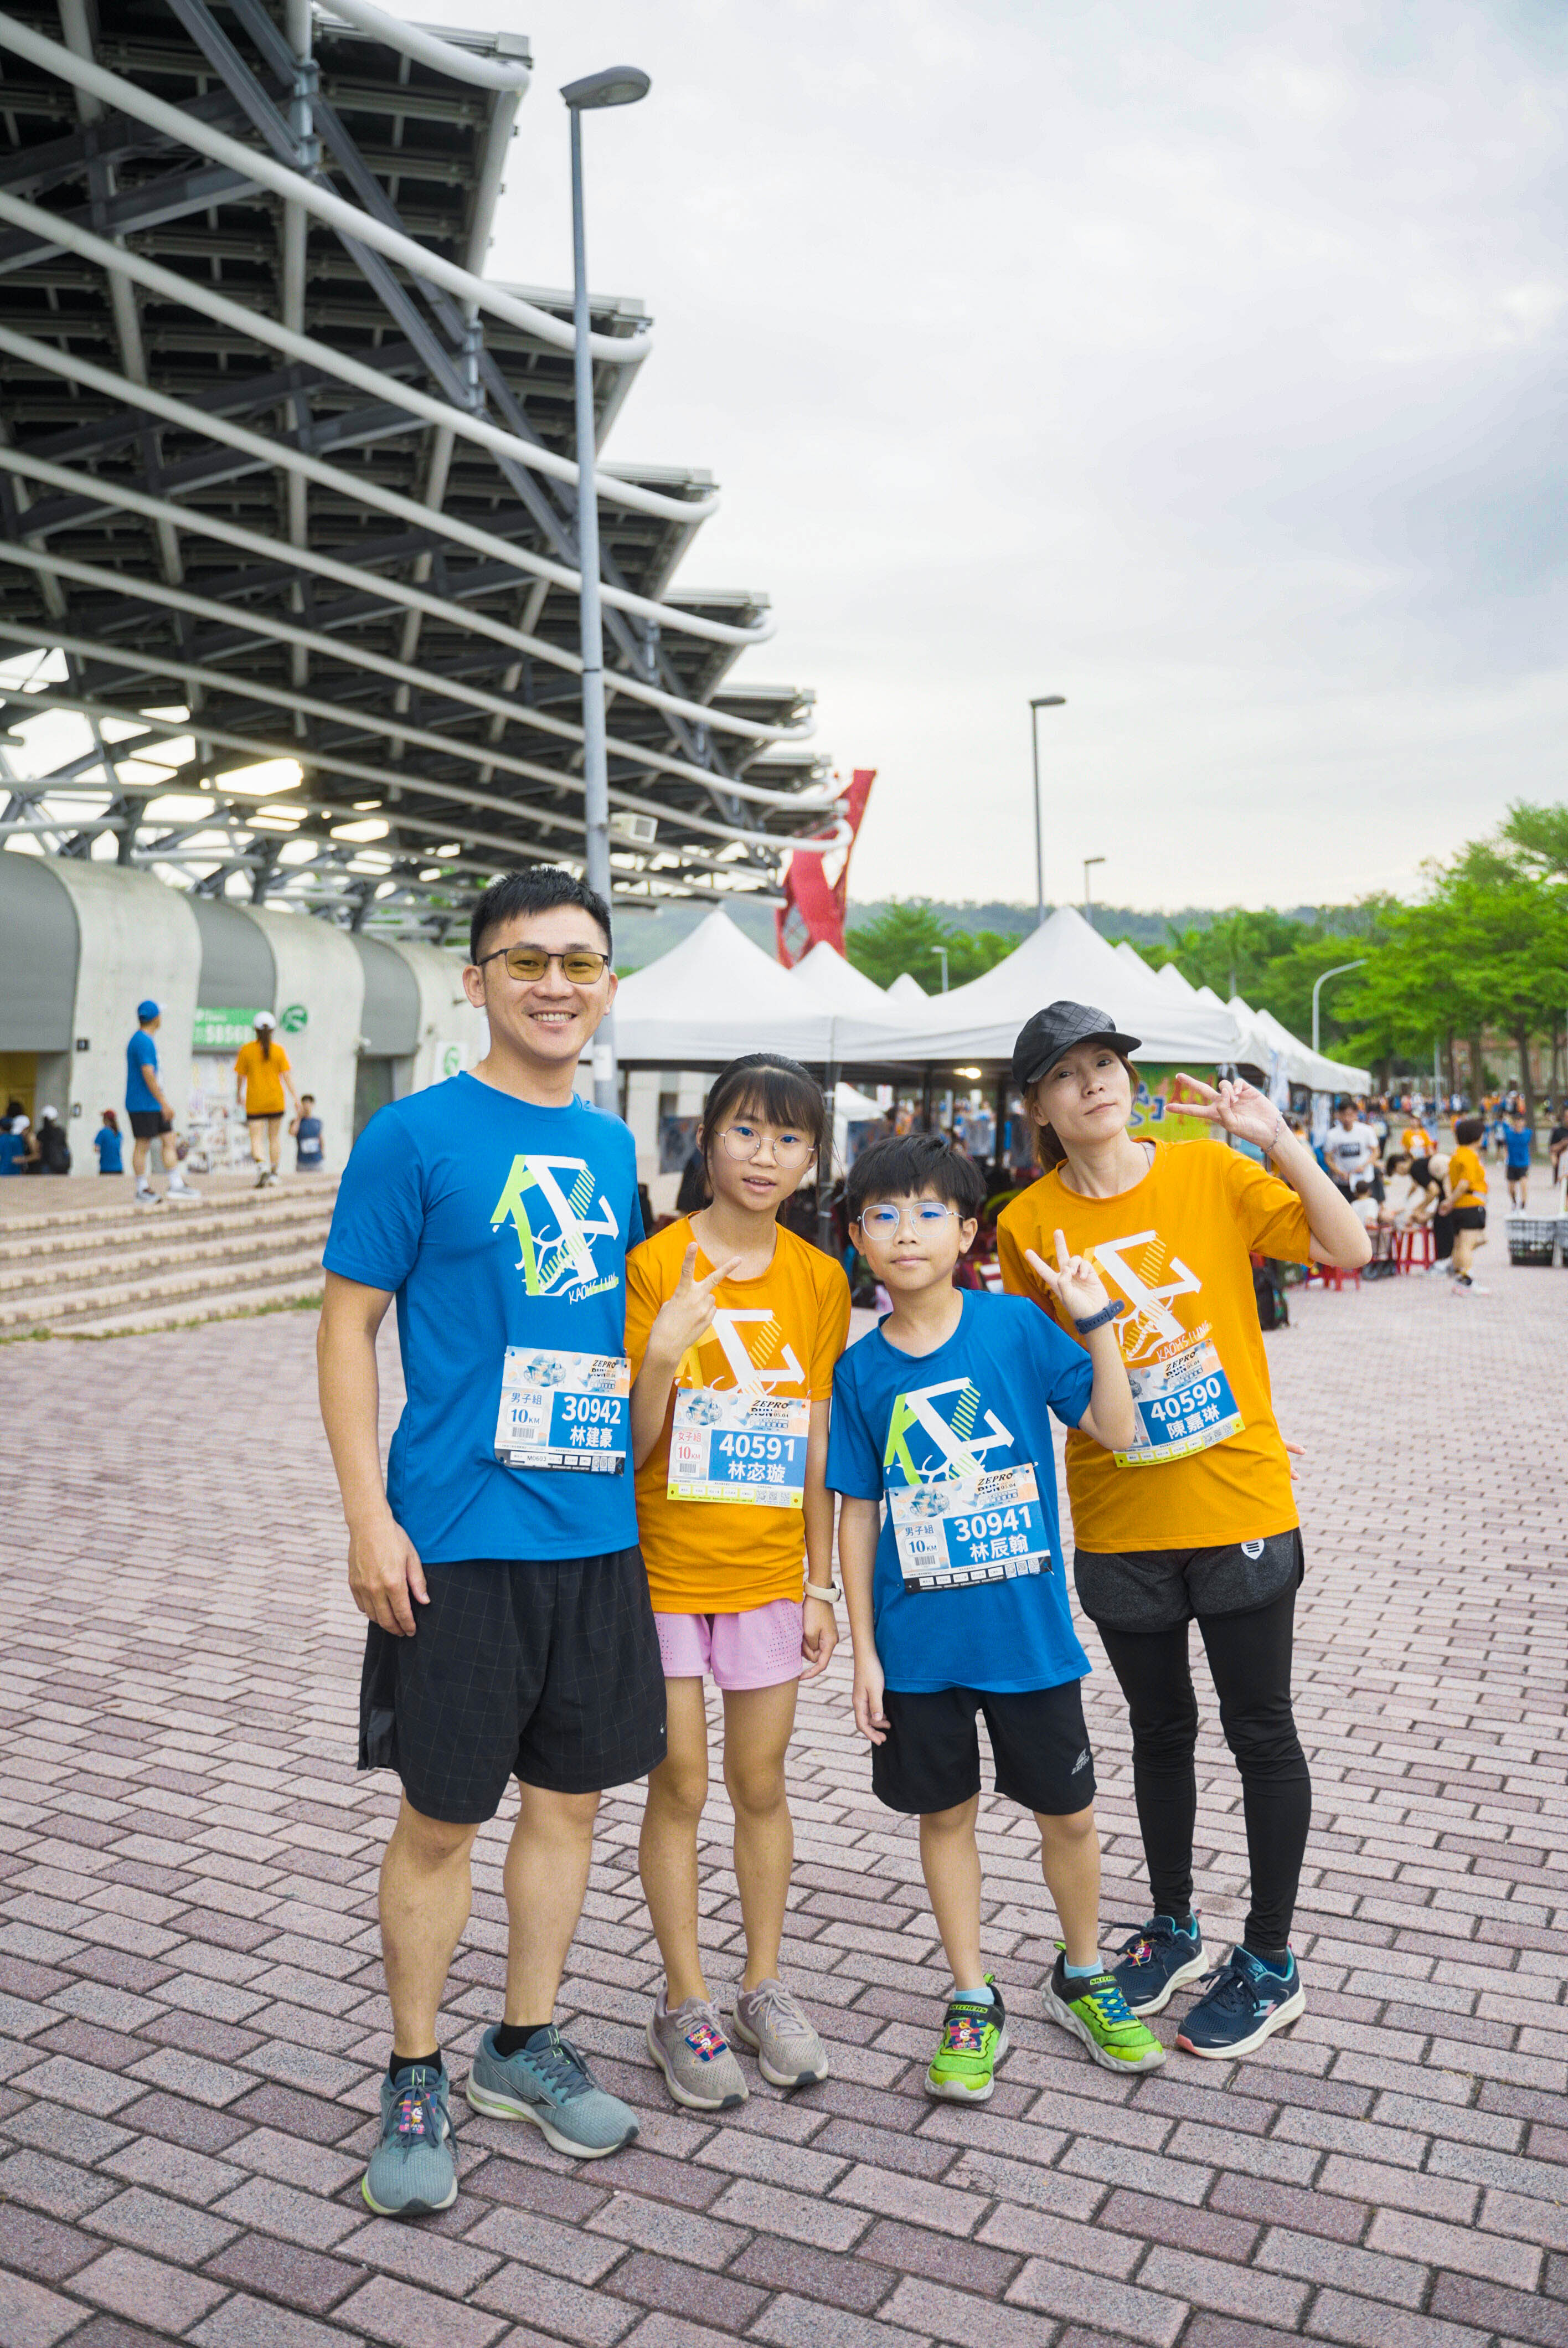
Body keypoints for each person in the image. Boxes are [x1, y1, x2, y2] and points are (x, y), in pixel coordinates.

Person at [316, 868, 663, 2221]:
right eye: (526, 960)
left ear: (607, 985)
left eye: (580, 961)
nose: (555, 984)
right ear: (476, 981)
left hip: (594, 1531)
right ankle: (415, 2069)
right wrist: (369, 1514)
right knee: (443, 1815)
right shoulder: (413, 1136)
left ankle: (521, 2040)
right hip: (456, 1535)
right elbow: (347, 1327)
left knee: (570, 1802)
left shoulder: (612, 1148)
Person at [996, 1002, 1370, 2059]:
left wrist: (1278, 1139)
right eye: (1065, 1073)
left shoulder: (1209, 1171)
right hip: (1119, 1515)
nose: (1093, 1082)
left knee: (1261, 1731)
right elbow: (1052, 1379)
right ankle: (1172, 1928)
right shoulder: (1026, 1224)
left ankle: (1271, 1958)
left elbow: (1345, 1246)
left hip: (1236, 1501)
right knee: (1157, 1731)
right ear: (1038, 1107)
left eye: (1105, 1062)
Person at [829, 1131, 1165, 2098]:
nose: (907, 1232)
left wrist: (1097, 1324)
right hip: (919, 1648)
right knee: (946, 1817)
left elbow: (1116, 1427)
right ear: (857, 1237)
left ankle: (1085, 1974)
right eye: (884, 1215)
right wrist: (864, 1653)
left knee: (1071, 1814)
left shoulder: (1016, 1328)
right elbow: (858, 1514)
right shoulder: (859, 1372)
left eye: (930, 1212)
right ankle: (973, 1998)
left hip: (1028, 1638)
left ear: (968, 1232)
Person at [626, 1053, 849, 2111]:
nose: (765, 1155)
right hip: (662, 1573)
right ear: (707, 1140)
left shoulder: (820, 1278)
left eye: (789, 1138)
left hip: (766, 1575)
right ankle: (684, 2000)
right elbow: (628, 1446)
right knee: (678, 1785)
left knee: (760, 1783)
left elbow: (815, 1443)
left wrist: (821, 1586)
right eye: (746, 1131)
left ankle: (763, 1985)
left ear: (812, 1160)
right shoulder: (651, 1264)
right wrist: (662, 1356)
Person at [126, 1000, 197, 1206]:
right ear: (155, 1018)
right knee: (143, 1144)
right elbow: (148, 1074)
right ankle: (142, 1189)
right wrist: (163, 1102)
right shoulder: (143, 1041)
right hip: (143, 1103)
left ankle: (176, 1184)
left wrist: (161, 1103)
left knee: (169, 1139)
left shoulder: (144, 1040)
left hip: (153, 1104)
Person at [234, 1011, 300, 1188]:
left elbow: (240, 1076)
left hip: (255, 1101)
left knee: (256, 1137)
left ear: (255, 1030)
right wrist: (295, 1098)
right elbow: (287, 1076)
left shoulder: (246, 1050)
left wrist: (238, 1094)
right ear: (273, 1031)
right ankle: (274, 1173)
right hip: (276, 1100)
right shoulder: (279, 1050)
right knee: (274, 1138)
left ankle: (262, 1166)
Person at [1445, 1116, 1489, 1291]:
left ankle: (1459, 1279)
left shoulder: (1457, 1154)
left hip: (1460, 1206)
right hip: (1470, 1204)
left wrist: (1450, 1201)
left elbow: (1450, 1180)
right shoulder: (1470, 1156)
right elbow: (1464, 1183)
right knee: (1466, 1246)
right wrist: (1451, 1201)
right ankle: (1467, 1280)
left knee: (1460, 1245)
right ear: (1476, 1136)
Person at [1323, 1098, 1381, 1201]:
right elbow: (1328, 1158)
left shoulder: (1366, 1131)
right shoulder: (1332, 1135)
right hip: (1343, 1182)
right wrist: (1339, 1172)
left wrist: (1364, 1166)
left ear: (1356, 1114)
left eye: (1350, 1115)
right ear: (1339, 1115)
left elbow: (1376, 1152)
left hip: (1364, 1180)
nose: (1347, 1119)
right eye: (1344, 1115)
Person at [1503, 1108, 1533, 1210]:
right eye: (1516, 1121)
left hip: (1524, 1163)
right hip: (1512, 1163)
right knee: (1511, 1188)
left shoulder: (1528, 1133)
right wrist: (1505, 1156)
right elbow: (1505, 1145)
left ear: (1524, 1122)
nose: (1518, 1123)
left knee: (1524, 1185)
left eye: (1520, 1121)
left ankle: (1523, 1205)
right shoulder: (1508, 1133)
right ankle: (1514, 1202)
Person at [291, 1094, 325, 1175]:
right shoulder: (297, 1122)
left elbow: (320, 1138)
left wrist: (323, 1152)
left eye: (309, 1104)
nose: (307, 1106)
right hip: (302, 1162)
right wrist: (299, 1117)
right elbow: (292, 1132)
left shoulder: (317, 1122)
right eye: (305, 1104)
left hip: (317, 1161)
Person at [34, 1106, 70, 1175]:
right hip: (61, 1164)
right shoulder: (61, 1132)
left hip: (46, 1164)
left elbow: (37, 1149)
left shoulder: (41, 1133)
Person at [0, 1113, 35, 1177]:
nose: (21, 1133)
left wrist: (23, 1159)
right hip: (18, 1173)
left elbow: (37, 1156)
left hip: (29, 1173)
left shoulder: (30, 1138)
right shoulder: (19, 1138)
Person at [94, 1109, 123, 1176]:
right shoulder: (119, 1133)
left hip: (106, 1168)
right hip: (119, 1168)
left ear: (106, 1120)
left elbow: (96, 1149)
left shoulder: (103, 1132)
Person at [1551, 1104, 1568, 1185]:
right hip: (1562, 1166)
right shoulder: (1557, 1131)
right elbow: (1552, 1149)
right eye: (1567, 1117)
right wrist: (1562, 1143)